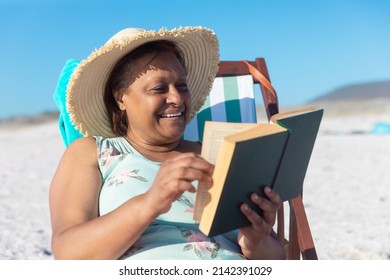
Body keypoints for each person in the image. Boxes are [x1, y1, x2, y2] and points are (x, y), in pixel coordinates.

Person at [49, 26, 286, 260]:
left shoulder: (221, 153)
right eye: (158, 88)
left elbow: (276, 260)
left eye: (181, 86)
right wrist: (150, 203)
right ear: (120, 97)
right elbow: (68, 255)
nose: (176, 98)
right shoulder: (92, 153)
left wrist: (256, 242)